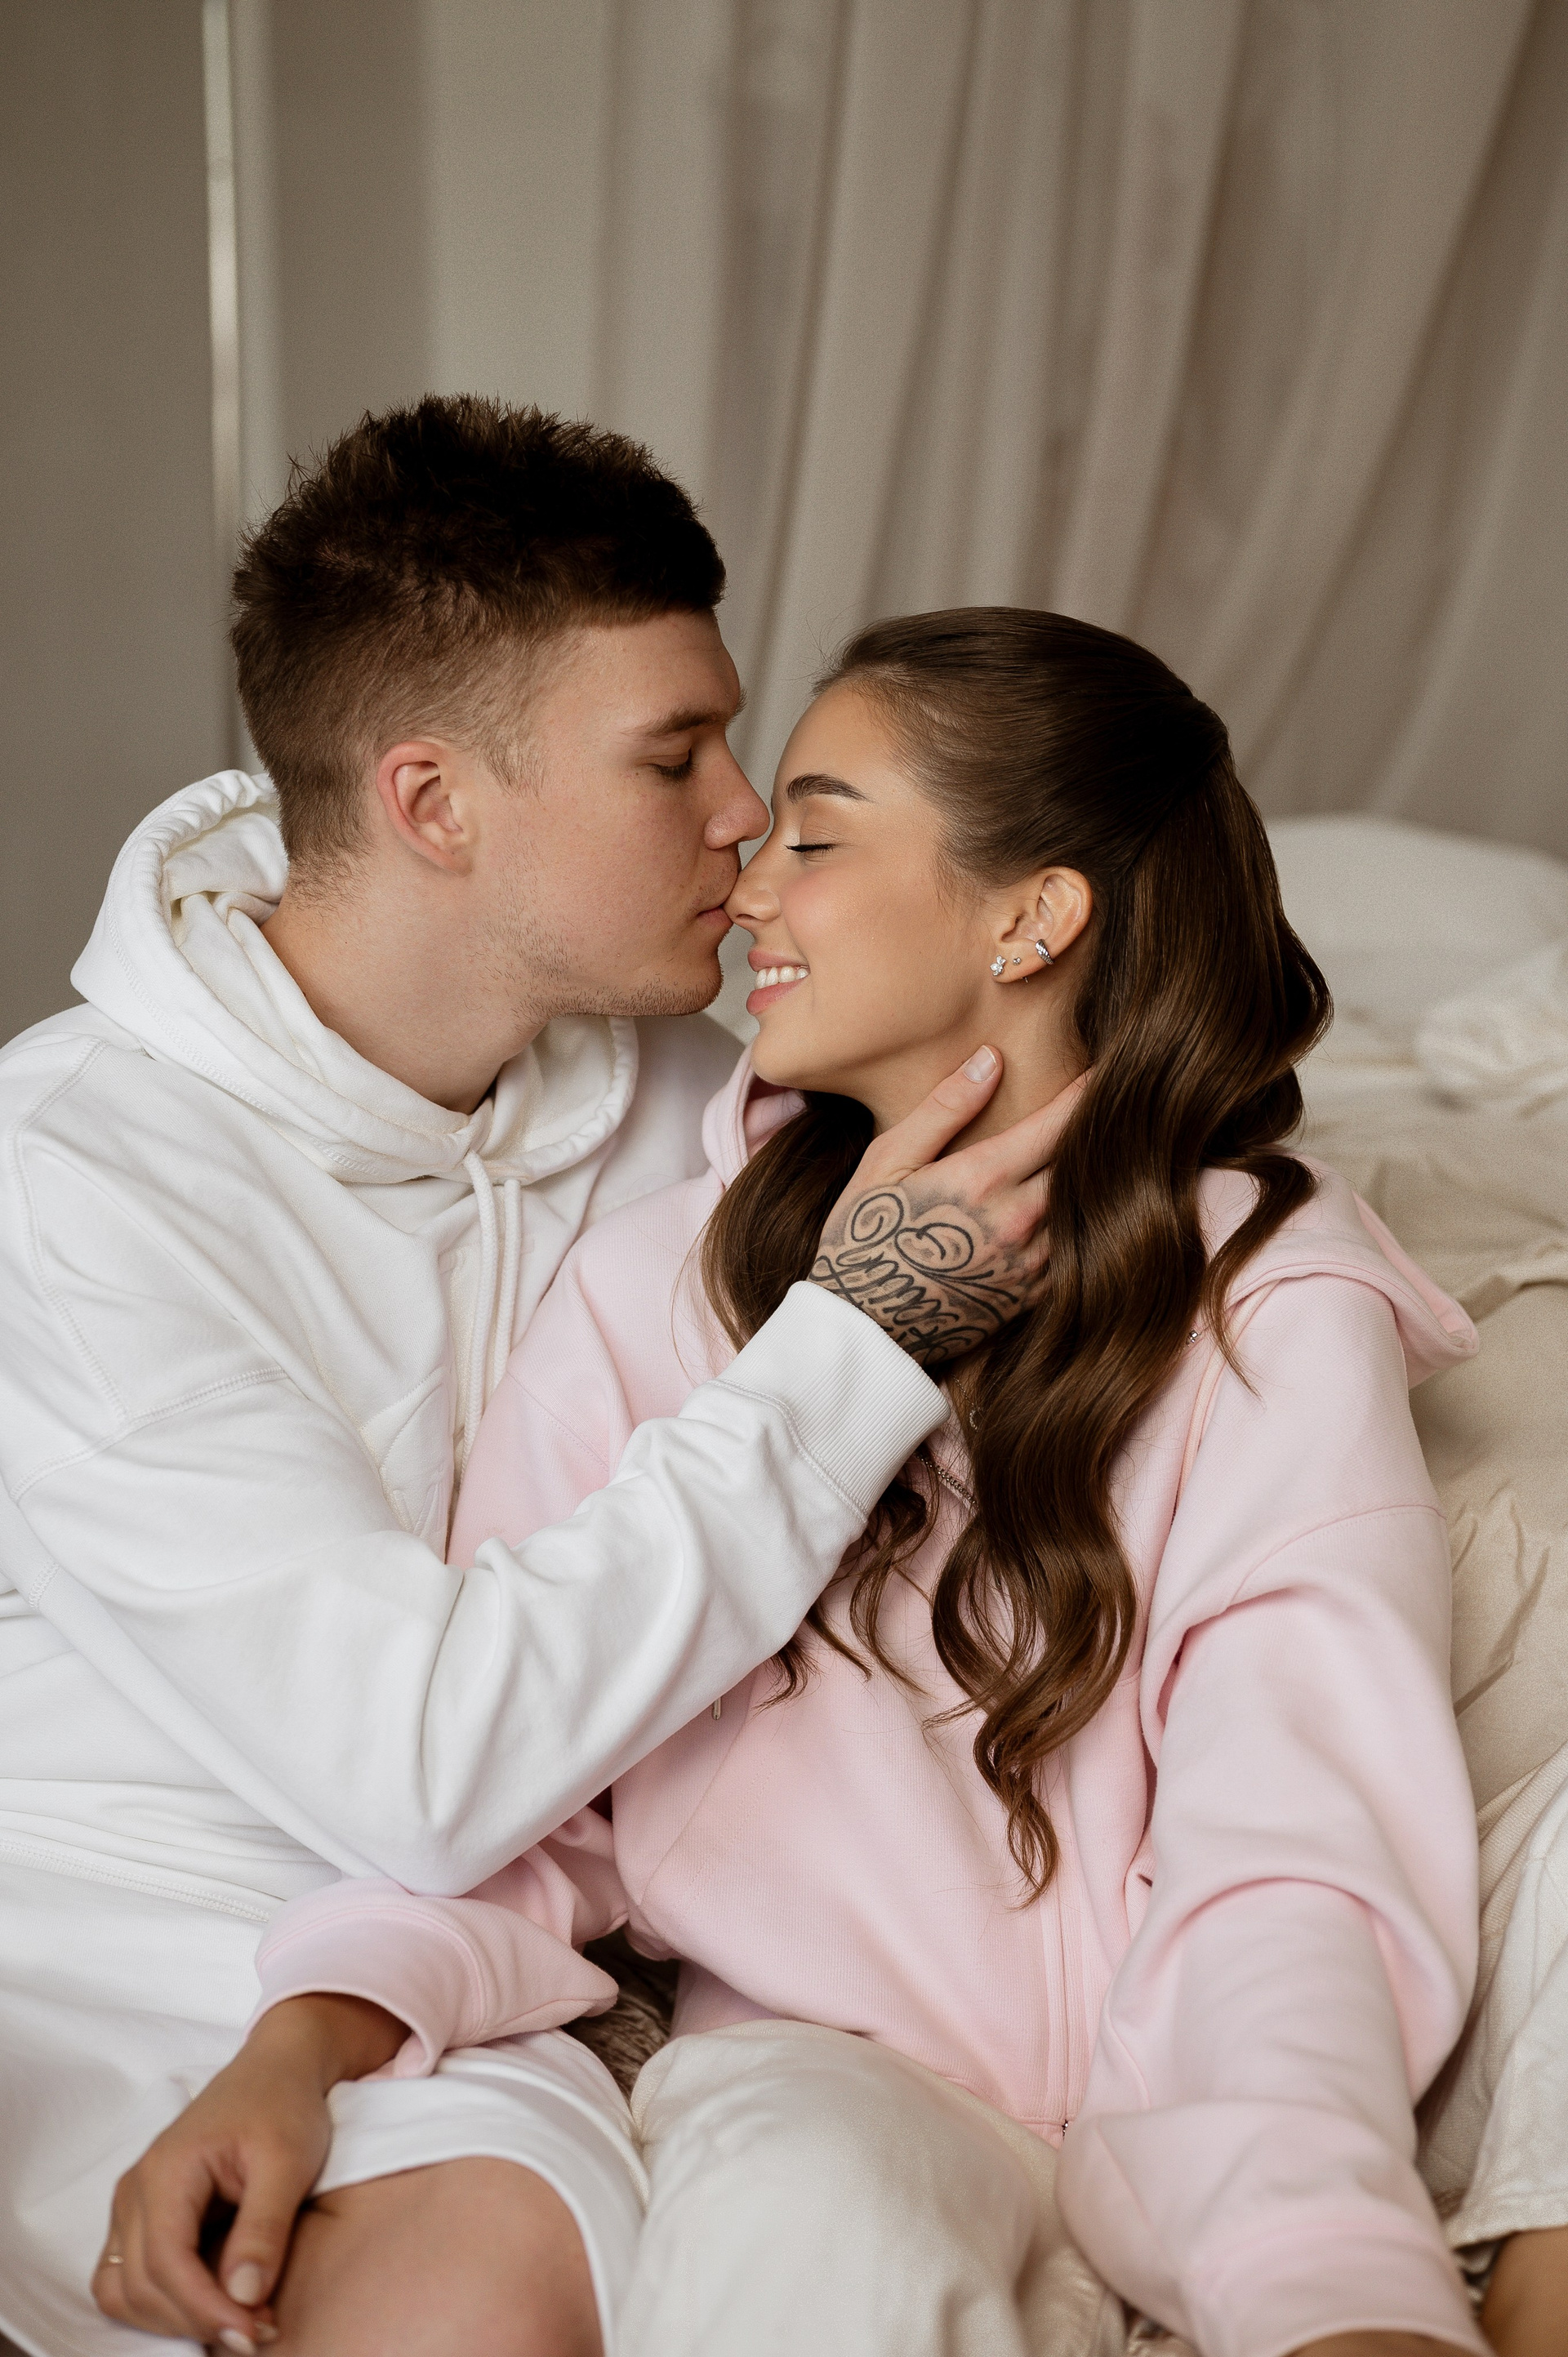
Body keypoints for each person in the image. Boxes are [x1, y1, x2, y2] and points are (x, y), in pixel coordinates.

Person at [109, 611, 1491, 2357]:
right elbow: (526, 1803)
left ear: (1032, 916)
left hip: (1198, 2106)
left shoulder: (1269, 1290)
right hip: (822, 2085)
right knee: (795, 2213)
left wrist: (1319, 2263)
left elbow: (1300, 1839)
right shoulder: (651, 1291)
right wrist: (303, 2044)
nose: (748, 885)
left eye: (816, 841)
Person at [0, 411, 1062, 2357]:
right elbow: (418, 1768)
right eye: (675, 757)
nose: (746, 814)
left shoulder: (684, 1085)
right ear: (431, 800)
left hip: (462, 1952)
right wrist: (851, 1346)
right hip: (88, 1929)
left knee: (502, 2281)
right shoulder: (76, 1184)